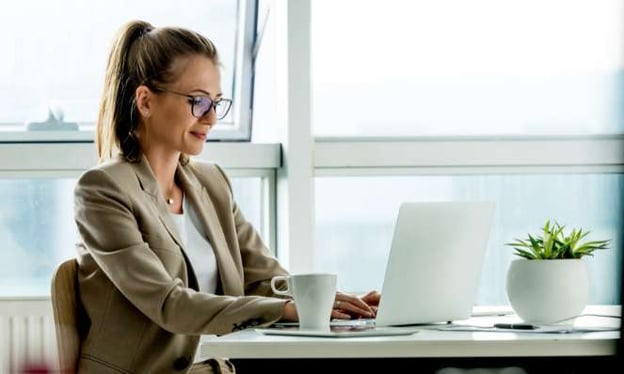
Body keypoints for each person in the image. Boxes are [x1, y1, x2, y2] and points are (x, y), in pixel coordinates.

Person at [73, 20, 380, 373]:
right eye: (199, 102)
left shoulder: (211, 184)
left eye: (218, 103)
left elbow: (265, 280)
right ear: (145, 101)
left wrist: (345, 306)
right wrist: (285, 310)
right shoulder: (102, 190)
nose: (212, 118)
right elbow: (170, 304)